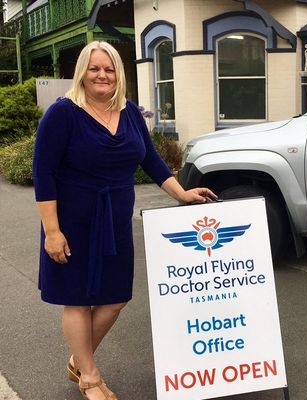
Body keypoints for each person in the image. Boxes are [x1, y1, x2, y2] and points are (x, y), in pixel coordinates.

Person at [32, 41, 216, 400]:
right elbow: (44, 173)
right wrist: (52, 231)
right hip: (72, 220)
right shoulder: (63, 113)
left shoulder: (129, 112)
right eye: (94, 68)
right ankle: (89, 376)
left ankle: (79, 359)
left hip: (116, 220)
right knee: (77, 298)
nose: (102, 75)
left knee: (115, 298)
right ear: (82, 72)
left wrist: (181, 194)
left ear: (118, 74)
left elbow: (151, 160)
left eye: (109, 69)